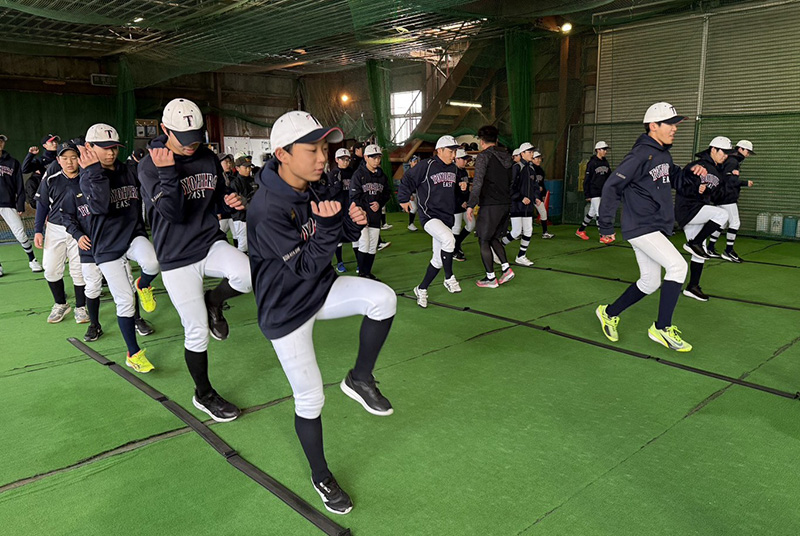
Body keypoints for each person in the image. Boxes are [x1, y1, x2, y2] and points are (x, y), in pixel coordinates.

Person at [248, 110, 396, 515]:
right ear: (281, 154)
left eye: (324, 148)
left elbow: (328, 238)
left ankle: (359, 378)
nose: (322, 157)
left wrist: (350, 224)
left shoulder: (314, 186)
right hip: (286, 311)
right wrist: (334, 228)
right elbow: (306, 263)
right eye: (311, 149)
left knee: (384, 299)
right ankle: (321, 475)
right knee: (310, 399)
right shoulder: (265, 208)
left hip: (319, 289)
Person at [138, 98, 252, 421]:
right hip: (175, 257)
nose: (192, 146)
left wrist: (232, 202)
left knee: (250, 274)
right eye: (184, 140)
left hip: (208, 242)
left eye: (197, 138)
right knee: (197, 330)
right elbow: (172, 213)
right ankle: (203, 395)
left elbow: (217, 198)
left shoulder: (206, 154)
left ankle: (213, 301)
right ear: (164, 130)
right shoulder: (149, 164)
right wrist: (166, 172)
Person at [596, 102, 707, 353]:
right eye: (670, 124)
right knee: (678, 266)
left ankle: (608, 312)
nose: (675, 128)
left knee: (649, 282)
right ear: (653, 126)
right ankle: (662, 328)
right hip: (641, 224)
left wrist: (692, 172)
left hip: (654, 225)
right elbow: (612, 186)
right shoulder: (639, 155)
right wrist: (605, 226)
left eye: (675, 124)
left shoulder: (662, 154)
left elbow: (675, 178)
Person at [79, 123, 161, 372]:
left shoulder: (127, 170)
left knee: (154, 261)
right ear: (89, 148)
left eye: (114, 147)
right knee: (125, 302)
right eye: (103, 148)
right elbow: (101, 206)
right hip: (106, 247)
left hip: (131, 236)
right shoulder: (87, 177)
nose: (110, 152)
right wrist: (94, 171)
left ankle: (143, 284)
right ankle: (133, 353)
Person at [399, 135, 462, 308]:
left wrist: (464, 199)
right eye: (451, 151)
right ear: (439, 150)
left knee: (438, 259)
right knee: (449, 240)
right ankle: (449, 278)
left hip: (446, 217)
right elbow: (407, 180)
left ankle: (422, 288)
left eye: (455, 151)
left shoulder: (454, 169)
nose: (453, 155)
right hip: (429, 216)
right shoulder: (426, 166)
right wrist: (404, 198)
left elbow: (452, 192)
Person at [34, 142, 87, 323]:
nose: (69, 162)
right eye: (64, 158)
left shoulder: (87, 178)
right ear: (58, 160)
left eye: (73, 158)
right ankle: (60, 304)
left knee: (79, 270)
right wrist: (38, 230)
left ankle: (81, 307)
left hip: (79, 230)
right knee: (50, 269)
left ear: (79, 159)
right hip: (55, 228)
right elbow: (42, 205)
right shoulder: (51, 178)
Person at [675, 137, 732, 301]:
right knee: (722, 215)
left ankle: (692, 287)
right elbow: (681, 182)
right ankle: (694, 242)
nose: (725, 156)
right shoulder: (697, 165)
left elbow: (716, 193)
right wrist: (695, 186)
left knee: (700, 253)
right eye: (723, 152)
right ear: (713, 150)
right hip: (688, 209)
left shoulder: (718, 171)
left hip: (698, 210)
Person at [59, 142, 105, 342]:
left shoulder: (105, 182)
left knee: (126, 283)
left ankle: (137, 318)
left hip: (112, 243)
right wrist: (78, 235)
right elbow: (67, 217)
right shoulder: (73, 189)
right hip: (89, 247)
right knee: (92, 285)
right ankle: (95, 324)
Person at [465, 125, 515, 288]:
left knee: (483, 239)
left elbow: (478, 182)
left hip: (491, 204)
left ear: (481, 140)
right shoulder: (507, 156)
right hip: (505, 203)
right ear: (497, 139)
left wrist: (471, 204)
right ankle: (506, 268)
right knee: (493, 237)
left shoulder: (484, 156)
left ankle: (491, 278)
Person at [0, 133, 43, 277]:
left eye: (1, 141)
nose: (0, 143)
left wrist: (20, 205)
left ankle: (32, 260)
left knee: (20, 233)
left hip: (8, 203)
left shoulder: (12, 163)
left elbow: (19, 185)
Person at [706, 140, 755, 262]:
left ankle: (710, 247)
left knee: (722, 223)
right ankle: (728, 251)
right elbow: (728, 180)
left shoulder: (730, 160)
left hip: (720, 196)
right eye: (747, 151)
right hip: (727, 197)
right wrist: (744, 182)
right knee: (735, 223)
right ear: (740, 149)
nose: (748, 155)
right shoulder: (733, 161)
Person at [349, 144, 390, 279]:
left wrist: (380, 203)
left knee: (372, 245)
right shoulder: (358, 175)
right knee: (364, 243)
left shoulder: (382, 176)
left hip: (375, 216)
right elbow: (354, 196)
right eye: (373, 157)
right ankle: (362, 272)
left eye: (378, 157)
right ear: (366, 157)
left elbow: (387, 193)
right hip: (362, 216)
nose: (376, 160)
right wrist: (363, 210)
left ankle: (367, 272)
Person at [314, 147, 352, 273]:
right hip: (338, 210)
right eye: (342, 159)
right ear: (337, 160)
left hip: (350, 209)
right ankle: (339, 262)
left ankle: (360, 264)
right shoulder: (332, 175)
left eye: (347, 159)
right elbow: (328, 194)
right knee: (338, 238)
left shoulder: (353, 173)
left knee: (356, 237)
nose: (345, 162)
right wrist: (337, 185)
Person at [502, 142, 538, 266]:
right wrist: (521, 197)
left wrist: (536, 198)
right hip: (517, 205)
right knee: (516, 232)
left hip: (528, 206)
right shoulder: (517, 167)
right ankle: (497, 248)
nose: (532, 154)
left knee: (528, 230)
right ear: (522, 154)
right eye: (529, 152)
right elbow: (510, 187)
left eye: (532, 152)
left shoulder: (532, 168)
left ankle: (521, 256)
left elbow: (534, 186)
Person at [576, 141, 611, 240]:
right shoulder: (591, 163)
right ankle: (603, 236)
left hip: (602, 192)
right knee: (600, 213)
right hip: (594, 192)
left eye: (606, 149)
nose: (605, 151)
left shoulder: (605, 162)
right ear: (598, 150)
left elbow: (609, 176)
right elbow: (586, 180)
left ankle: (581, 230)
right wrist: (587, 194)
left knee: (592, 212)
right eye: (604, 149)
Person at [22, 133, 60, 210]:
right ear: (44, 145)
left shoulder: (62, 157)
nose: (55, 143)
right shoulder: (41, 160)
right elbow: (25, 169)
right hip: (49, 194)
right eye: (51, 142)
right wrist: (30, 155)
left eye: (55, 141)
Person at [230, 155, 257, 253]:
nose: (248, 169)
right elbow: (236, 203)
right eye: (246, 167)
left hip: (254, 216)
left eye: (249, 167)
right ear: (237, 168)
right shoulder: (235, 183)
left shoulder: (253, 180)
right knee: (243, 246)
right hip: (241, 218)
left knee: (255, 244)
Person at [452, 149, 474, 260]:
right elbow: (451, 191)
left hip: (465, 205)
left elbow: (466, 189)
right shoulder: (452, 171)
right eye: (463, 159)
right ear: (456, 159)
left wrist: (467, 201)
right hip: (456, 205)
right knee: (456, 228)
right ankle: (454, 251)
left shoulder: (464, 171)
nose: (465, 161)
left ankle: (457, 243)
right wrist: (461, 202)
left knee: (471, 225)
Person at [530, 150, 554, 239]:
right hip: (528, 196)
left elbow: (542, 183)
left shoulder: (540, 170)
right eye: (537, 158)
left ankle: (545, 232)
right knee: (526, 215)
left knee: (543, 212)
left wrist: (543, 194)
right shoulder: (529, 169)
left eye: (540, 158)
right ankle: (521, 232)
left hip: (538, 196)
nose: (539, 160)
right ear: (532, 159)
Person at [406, 154, 420, 231]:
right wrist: (409, 194)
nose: (416, 163)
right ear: (410, 162)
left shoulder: (418, 172)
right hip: (411, 194)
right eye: (414, 161)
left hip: (417, 193)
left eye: (416, 162)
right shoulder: (408, 173)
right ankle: (410, 224)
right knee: (414, 208)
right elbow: (406, 185)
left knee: (417, 208)